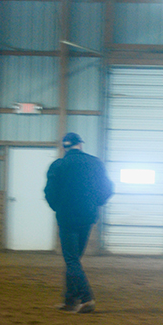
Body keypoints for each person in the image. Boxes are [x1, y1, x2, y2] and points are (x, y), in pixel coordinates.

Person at [44, 133, 113, 313]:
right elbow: (107, 189)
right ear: (80, 145)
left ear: (64, 147)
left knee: (72, 259)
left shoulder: (58, 165)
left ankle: (86, 297)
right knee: (74, 260)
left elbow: (49, 192)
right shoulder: (95, 163)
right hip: (87, 217)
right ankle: (70, 300)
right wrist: (96, 204)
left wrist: (58, 207)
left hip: (66, 217)